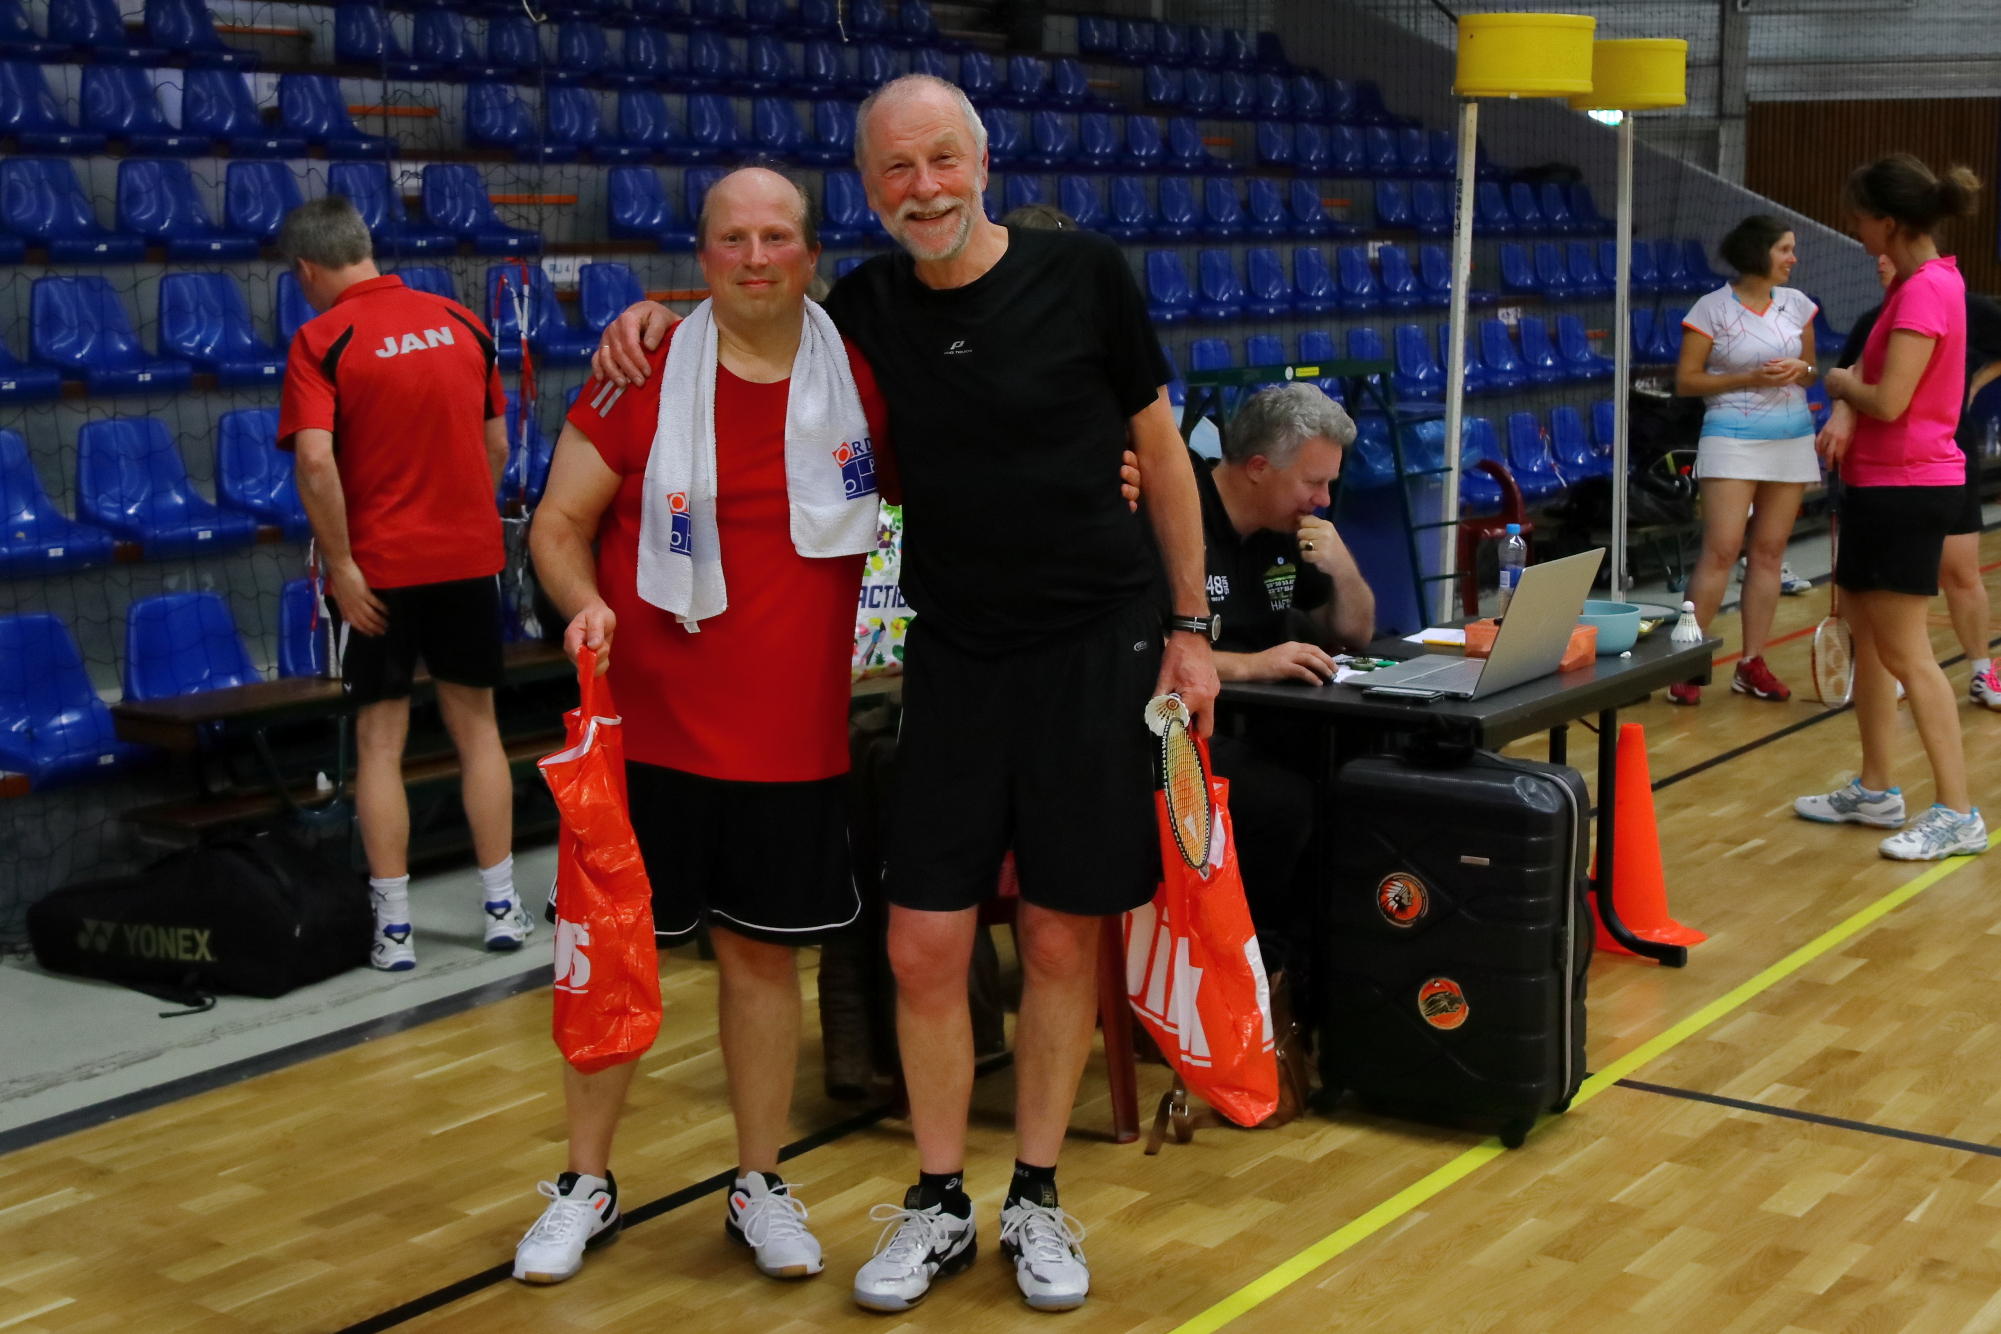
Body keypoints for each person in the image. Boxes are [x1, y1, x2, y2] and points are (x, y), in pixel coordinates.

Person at [594, 74, 1218, 1313]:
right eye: (896, 168)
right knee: (921, 939)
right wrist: (654, 314)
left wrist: (1193, 627)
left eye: (941, 160)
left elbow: (1158, 449)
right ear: (871, 189)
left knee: (1058, 936)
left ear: (981, 165)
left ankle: (1034, 1194)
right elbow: (759, 306)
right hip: (954, 661)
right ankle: (937, 1200)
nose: (923, 187)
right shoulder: (868, 310)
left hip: (1095, 648)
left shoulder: (1087, 274)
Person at [516, 166, 892, 1287]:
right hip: (649, 734)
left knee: (761, 963)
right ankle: (585, 1181)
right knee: (612, 963)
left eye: (777, 236)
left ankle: (758, 1182)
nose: (756, 257)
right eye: (734, 238)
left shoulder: (861, 379)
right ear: (703, 255)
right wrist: (582, 602)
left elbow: (976, 475)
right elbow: (556, 525)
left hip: (791, 741)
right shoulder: (641, 371)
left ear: (811, 253)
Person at [275, 196, 533, 972]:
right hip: (469, 561)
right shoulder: (462, 322)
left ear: (306, 269)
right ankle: (501, 907)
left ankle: (394, 929)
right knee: (477, 731)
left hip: (380, 572)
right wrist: (461, 516)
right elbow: (498, 444)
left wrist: (343, 564)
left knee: (380, 742)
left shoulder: (320, 338)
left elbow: (313, 460)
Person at [1796, 154, 1987, 861]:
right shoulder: (1917, 285)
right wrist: (1851, 402)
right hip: (1878, 484)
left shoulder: (1925, 291)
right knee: (1870, 643)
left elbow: (1889, 398)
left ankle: (1957, 812)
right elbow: (1875, 387)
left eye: (1858, 217)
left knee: (1907, 653)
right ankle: (1876, 788)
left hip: (1908, 489)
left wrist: (1840, 386)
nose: (1854, 229)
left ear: (1887, 220)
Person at [1198, 382, 1371, 978]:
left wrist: (1343, 567)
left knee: (1367, 768)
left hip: (1267, 716)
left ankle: (1333, 957)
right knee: (1283, 802)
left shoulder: (1292, 528)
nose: (1323, 500)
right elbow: (1142, 652)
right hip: (1181, 728)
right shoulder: (1179, 516)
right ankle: (1257, 964)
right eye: (1313, 483)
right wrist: (1253, 664)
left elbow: (1355, 633)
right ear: (1257, 468)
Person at [1834, 251, 2001, 709]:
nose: (1880, 260)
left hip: (1948, 457)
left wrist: (1975, 384)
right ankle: (1895, 669)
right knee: (1897, 588)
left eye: (1890, 250)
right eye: (1876, 255)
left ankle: (1980, 670)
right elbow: (1848, 382)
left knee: (1961, 571)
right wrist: (1841, 406)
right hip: (1886, 471)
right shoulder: (1871, 322)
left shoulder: (1963, 305)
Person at [1669, 214, 1818, 705]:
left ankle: (1751, 662)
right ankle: (1686, 661)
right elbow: (1686, 380)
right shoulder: (1711, 308)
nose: (1793, 258)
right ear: (1759, 252)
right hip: (1731, 437)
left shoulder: (1798, 305)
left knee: (1770, 553)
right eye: (1784, 249)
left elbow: (1811, 372)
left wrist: (1802, 367)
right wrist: (1748, 379)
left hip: (1791, 437)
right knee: (1721, 549)